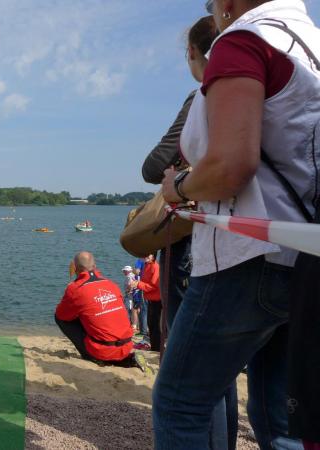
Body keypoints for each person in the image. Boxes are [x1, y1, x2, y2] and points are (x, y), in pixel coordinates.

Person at [157, 0, 319, 447]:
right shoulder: (309, 44)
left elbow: (230, 167)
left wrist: (178, 187)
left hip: (248, 257)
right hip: (306, 256)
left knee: (180, 403)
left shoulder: (244, 41)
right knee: (278, 413)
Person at [144, 15, 240, 449]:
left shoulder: (205, 94)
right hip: (271, 243)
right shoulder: (280, 78)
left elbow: (153, 165)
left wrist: (178, 182)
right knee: (229, 370)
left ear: (193, 53)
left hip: (205, 242)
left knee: (189, 384)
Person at [55, 252, 149, 373]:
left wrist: (70, 295)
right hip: (126, 345)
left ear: (75, 269)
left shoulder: (75, 288)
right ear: (95, 266)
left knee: (61, 318)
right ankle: (128, 359)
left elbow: (61, 314)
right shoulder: (111, 284)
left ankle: (93, 357)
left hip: (102, 350)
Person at [130, 253, 161, 352]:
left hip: (157, 300)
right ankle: (154, 346)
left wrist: (138, 284)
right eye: (145, 254)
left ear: (154, 255)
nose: (146, 256)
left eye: (149, 255)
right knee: (150, 324)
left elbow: (153, 285)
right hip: (149, 298)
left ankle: (156, 349)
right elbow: (144, 281)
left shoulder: (155, 266)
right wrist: (137, 283)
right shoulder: (146, 265)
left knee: (155, 326)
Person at [121, 265, 137, 330]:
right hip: (133, 295)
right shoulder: (133, 275)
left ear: (127, 271)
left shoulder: (129, 277)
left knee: (127, 309)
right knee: (132, 309)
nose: (123, 272)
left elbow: (130, 285)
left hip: (129, 295)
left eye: (124, 271)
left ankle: (128, 324)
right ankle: (132, 324)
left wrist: (128, 291)